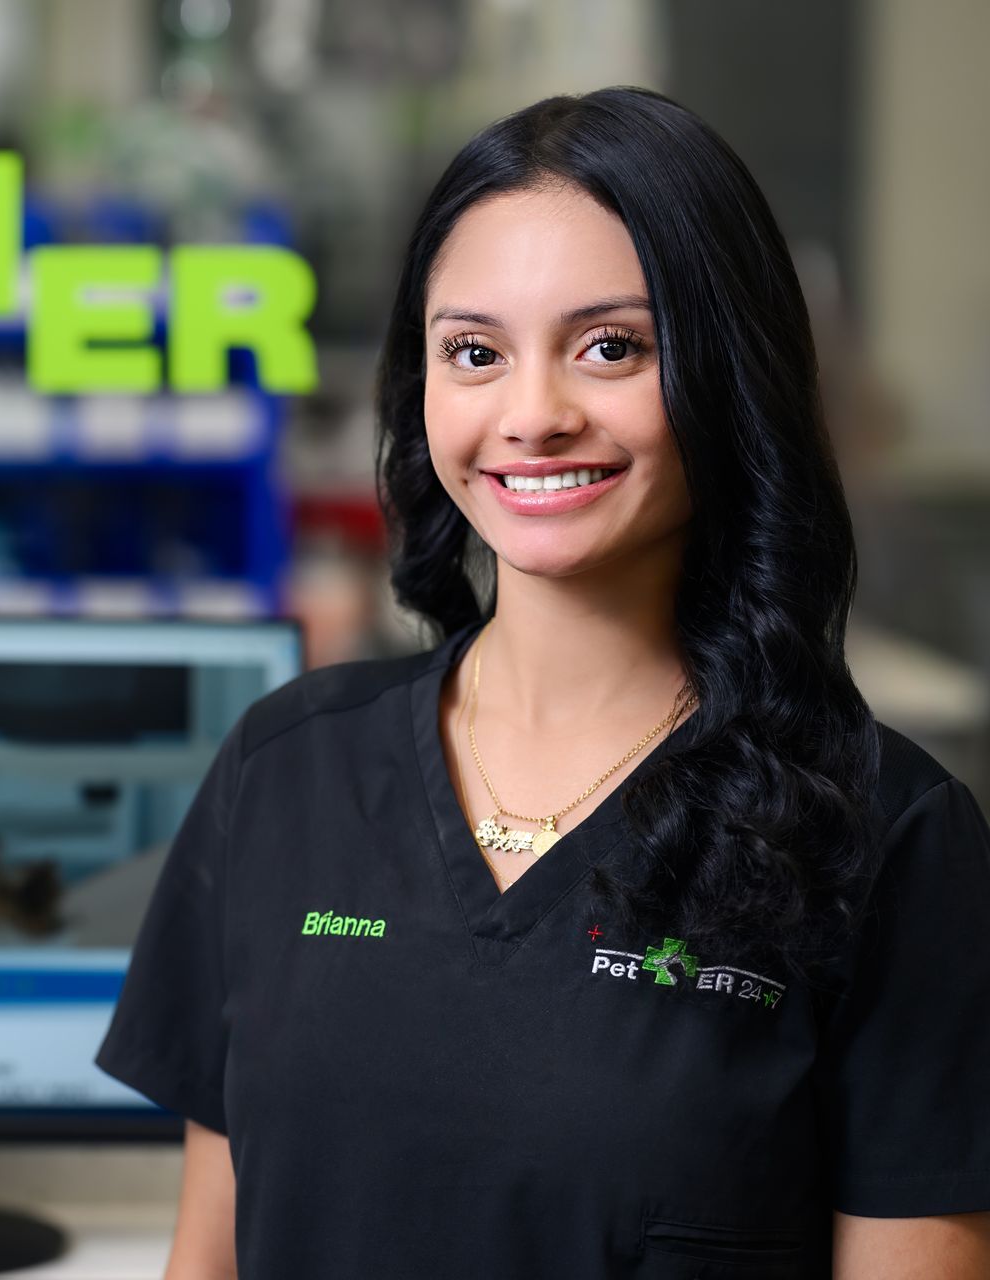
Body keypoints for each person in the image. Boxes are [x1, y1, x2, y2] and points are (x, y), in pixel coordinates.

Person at [94, 86, 990, 1277]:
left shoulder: (887, 832)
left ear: (728, 374)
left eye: (610, 346)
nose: (533, 415)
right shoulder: (287, 767)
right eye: (475, 351)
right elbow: (207, 1257)